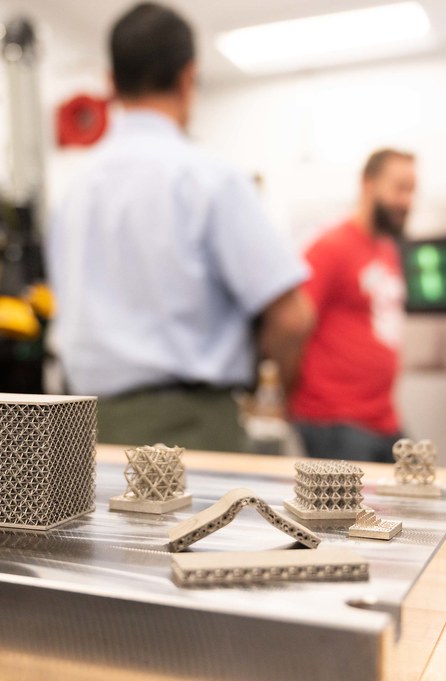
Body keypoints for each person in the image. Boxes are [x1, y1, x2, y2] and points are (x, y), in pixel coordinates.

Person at [47, 2, 311, 452]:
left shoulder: (74, 192)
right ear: (189, 77)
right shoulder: (208, 178)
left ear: (111, 83)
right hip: (191, 431)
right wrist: (272, 394)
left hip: (81, 436)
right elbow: (293, 317)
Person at [290, 149, 417, 462]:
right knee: (350, 512)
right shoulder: (330, 248)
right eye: (399, 188)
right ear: (368, 184)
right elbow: (293, 326)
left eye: (412, 190)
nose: (407, 201)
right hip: (334, 418)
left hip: (382, 415)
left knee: (419, 491)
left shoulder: (387, 249)